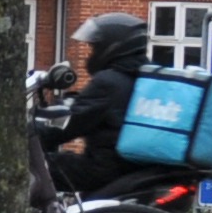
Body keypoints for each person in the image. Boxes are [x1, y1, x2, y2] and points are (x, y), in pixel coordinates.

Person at [55, 11, 153, 189]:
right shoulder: (146, 78)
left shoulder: (108, 82)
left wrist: (31, 133)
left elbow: (71, 124)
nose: (90, 55)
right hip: (137, 169)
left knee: (40, 167)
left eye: (94, 48)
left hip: (105, 170)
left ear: (112, 47)